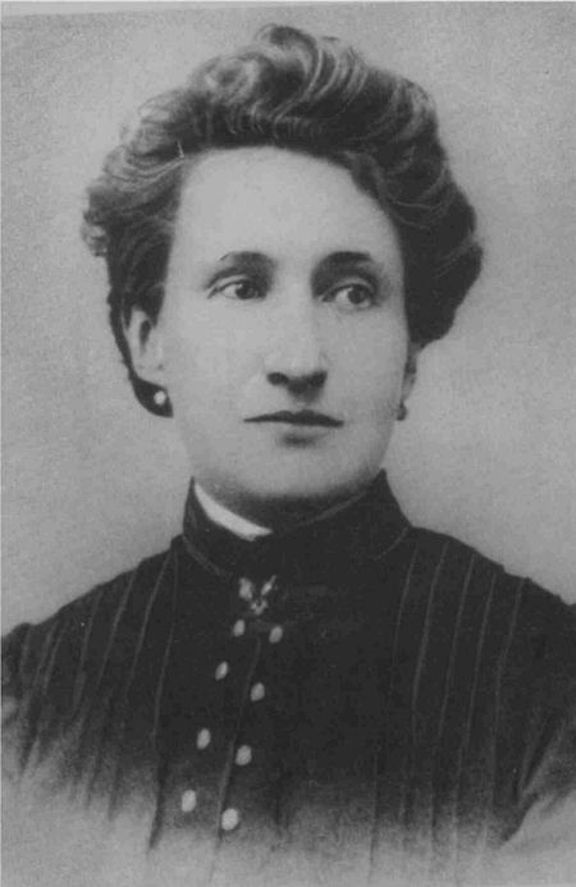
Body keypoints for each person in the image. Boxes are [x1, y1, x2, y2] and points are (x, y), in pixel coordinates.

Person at [3, 24, 575, 887]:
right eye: (242, 285)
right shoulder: (29, 697)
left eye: (353, 291)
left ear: (410, 353)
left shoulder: (550, 688)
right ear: (149, 338)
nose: (300, 358)